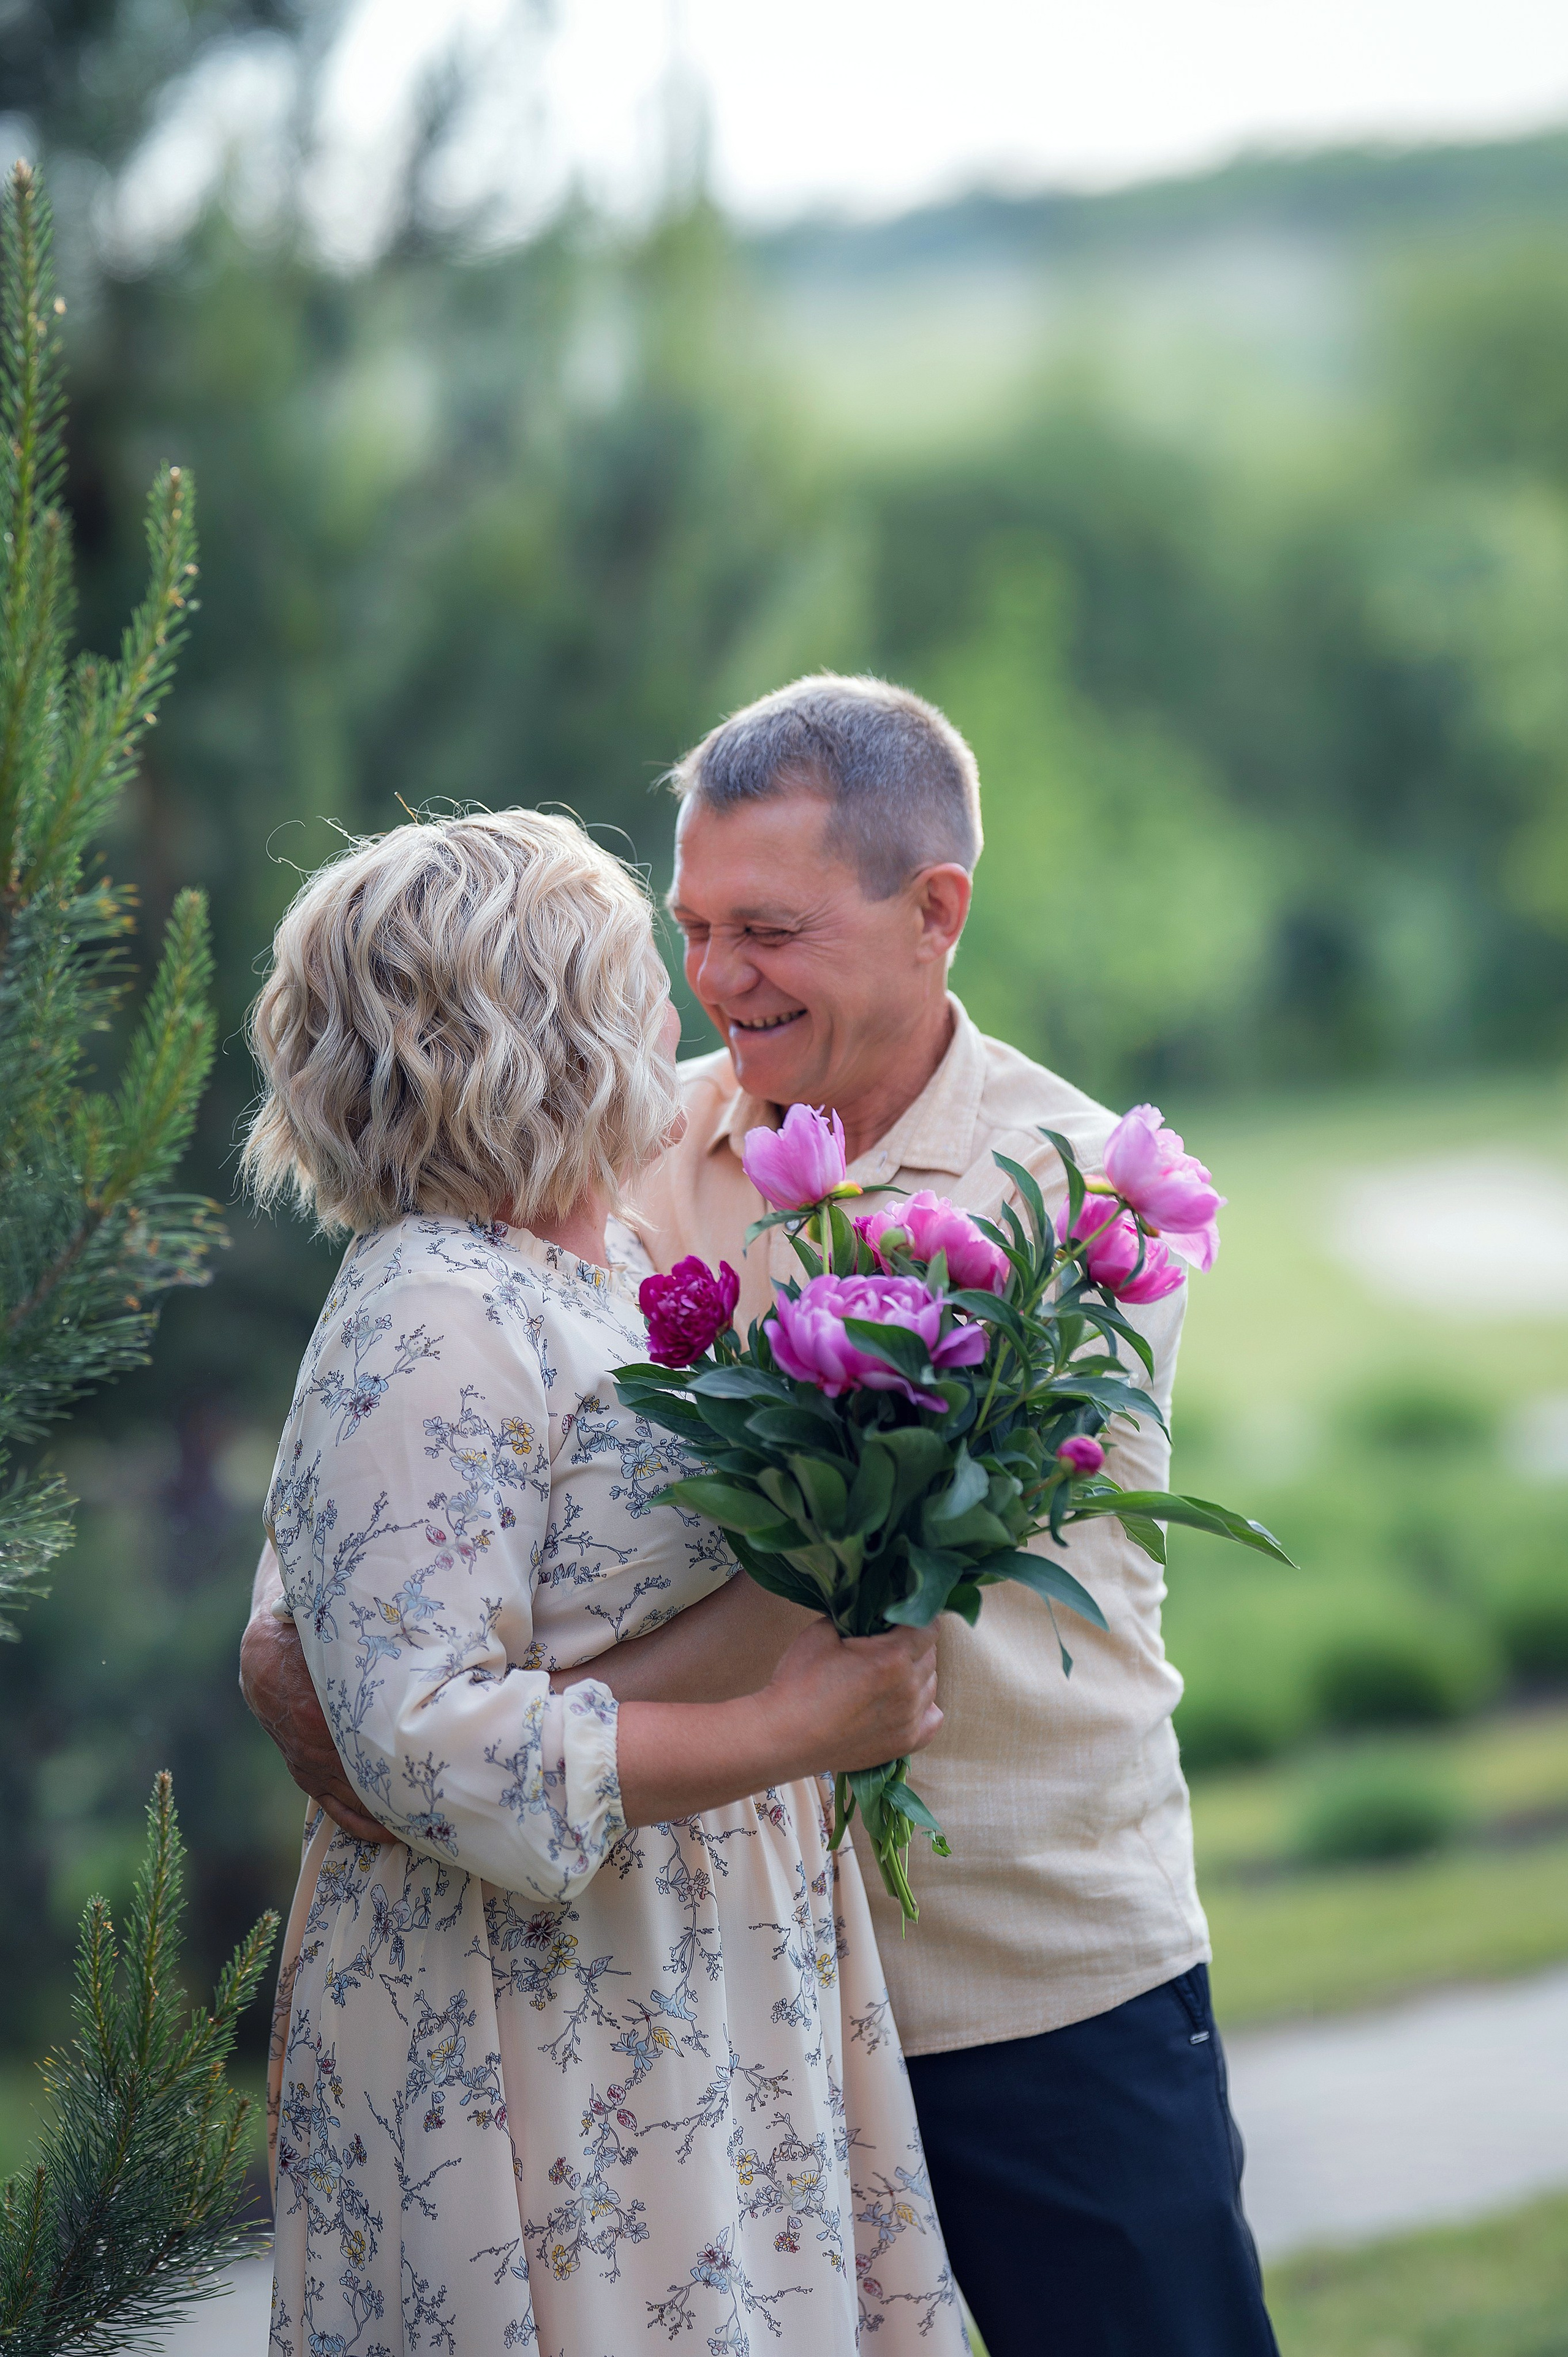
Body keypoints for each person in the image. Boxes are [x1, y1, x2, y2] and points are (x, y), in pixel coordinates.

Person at [243, 676, 1281, 2357]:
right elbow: (365, 1545)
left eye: (771, 929)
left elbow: (881, 1576)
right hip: (709, 2002)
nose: (718, 980)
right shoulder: (600, 1151)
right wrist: (349, 1713)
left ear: (933, 911)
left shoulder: (1073, 1205)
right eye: (695, 927)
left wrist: (455, 1750)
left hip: (1024, 1981)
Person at [240, 807, 969, 2356]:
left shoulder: (610, 1266)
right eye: (642, 967)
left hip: (694, 1976)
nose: (684, 1000)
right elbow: (428, 1741)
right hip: (541, 2016)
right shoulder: (429, 1313)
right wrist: (796, 1729)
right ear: (532, 1031)